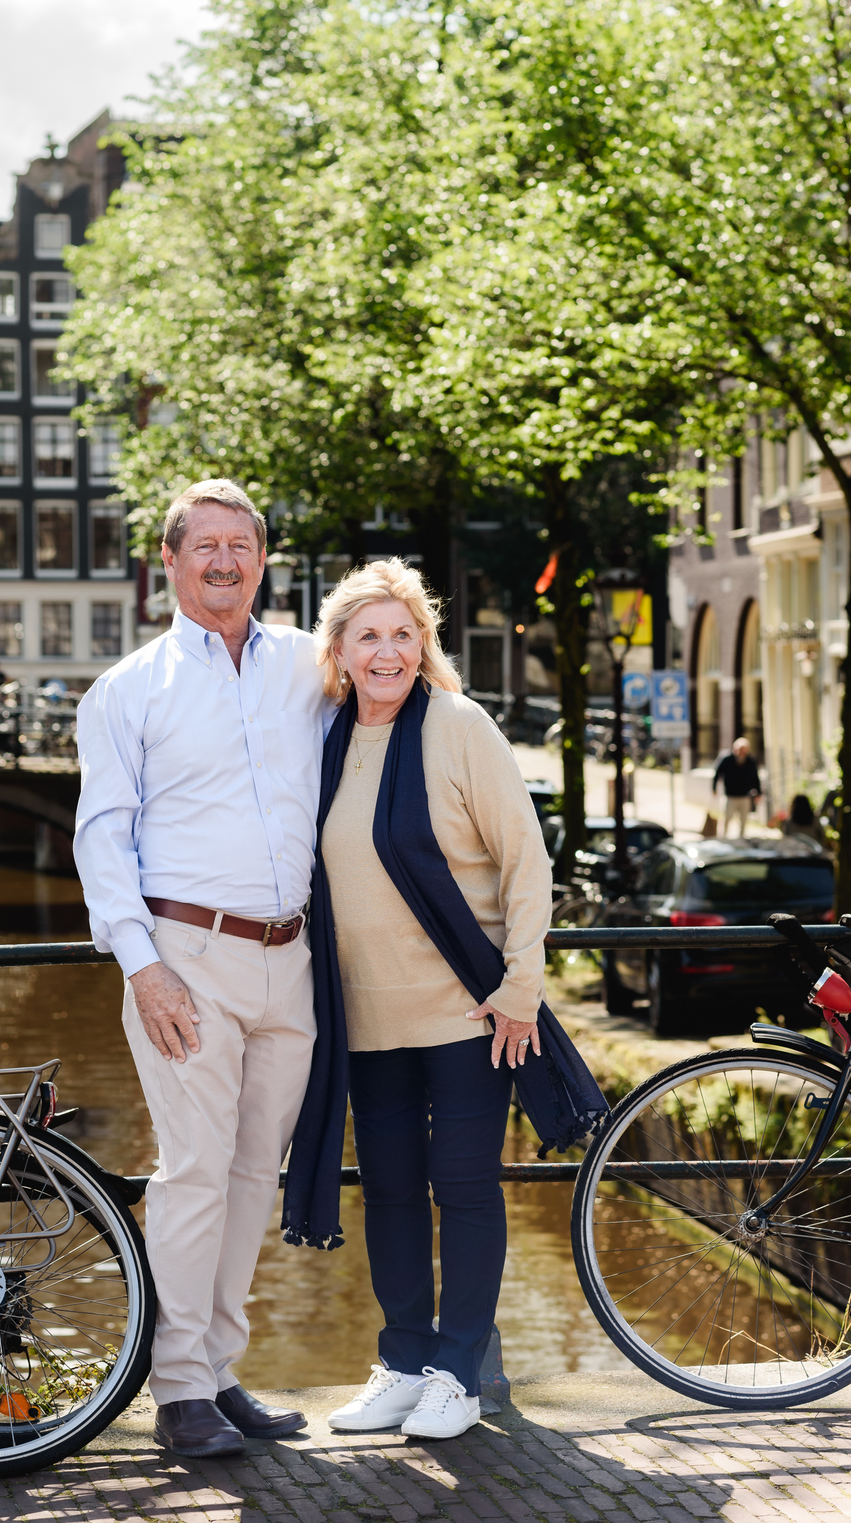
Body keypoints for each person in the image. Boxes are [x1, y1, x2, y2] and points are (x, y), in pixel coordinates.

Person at [73, 478, 328, 1458]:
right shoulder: (128, 690)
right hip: (187, 958)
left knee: (253, 1172)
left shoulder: (308, 663)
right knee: (192, 1174)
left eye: (242, 544)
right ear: (169, 564)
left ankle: (220, 1370)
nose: (225, 559)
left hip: (288, 954)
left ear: (262, 559)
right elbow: (103, 839)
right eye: (205, 545)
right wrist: (144, 968)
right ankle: (178, 1389)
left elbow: (400, 669)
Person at [285, 558, 552, 1441]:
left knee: (466, 1188)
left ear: (424, 645)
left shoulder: (458, 727)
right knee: (392, 1193)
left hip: (467, 1013)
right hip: (364, 1018)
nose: (388, 651)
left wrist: (521, 988)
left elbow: (525, 860)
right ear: (341, 652)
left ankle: (459, 1371)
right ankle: (403, 1363)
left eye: (404, 634)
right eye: (369, 635)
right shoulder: (324, 738)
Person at [712, 737, 761, 837]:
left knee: (743, 820)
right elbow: (717, 774)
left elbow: (755, 777)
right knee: (727, 818)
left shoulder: (750, 761)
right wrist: (714, 788)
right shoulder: (727, 759)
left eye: (744, 750)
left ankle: (741, 838)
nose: (742, 753)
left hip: (744, 796)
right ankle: (724, 837)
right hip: (730, 796)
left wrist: (759, 793)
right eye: (740, 750)